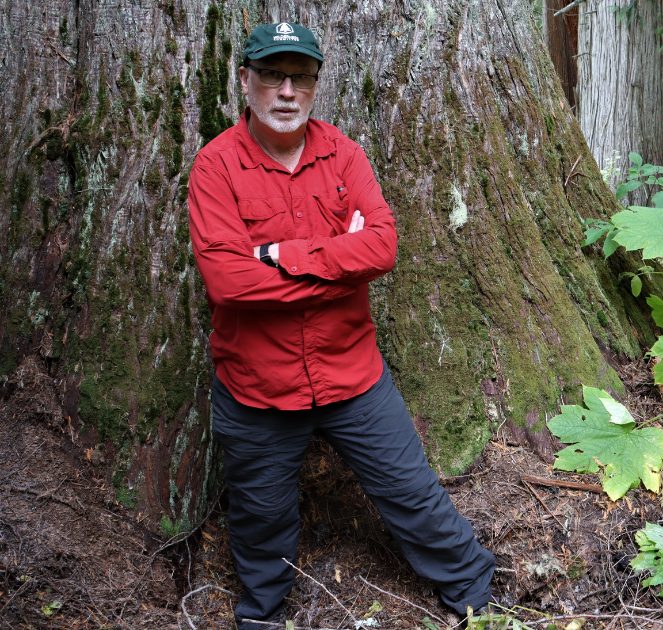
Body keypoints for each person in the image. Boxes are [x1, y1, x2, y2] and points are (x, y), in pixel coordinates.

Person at [186, 22, 495, 630]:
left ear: (315, 87)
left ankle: (480, 599)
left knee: (413, 495)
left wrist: (281, 256)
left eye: (300, 78)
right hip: (258, 386)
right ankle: (262, 620)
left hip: (351, 371)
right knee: (261, 519)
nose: (285, 91)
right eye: (272, 75)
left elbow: (381, 248)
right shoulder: (216, 167)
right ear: (245, 80)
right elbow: (228, 282)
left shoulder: (344, 155)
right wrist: (336, 261)